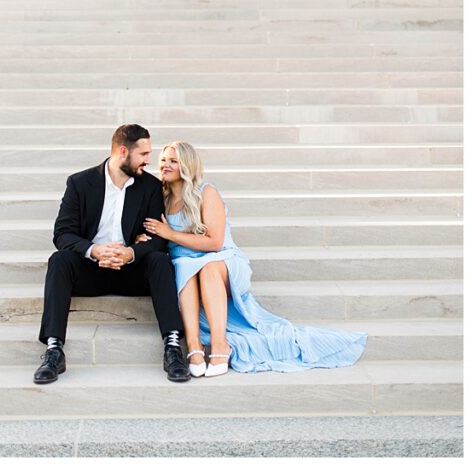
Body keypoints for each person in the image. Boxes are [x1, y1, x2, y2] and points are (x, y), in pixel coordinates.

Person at [140, 141, 367, 376]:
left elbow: (214, 243)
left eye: (173, 161)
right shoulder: (161, 197)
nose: (165, 165)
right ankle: (194, 347)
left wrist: (171, 234)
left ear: (187, 165)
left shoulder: (206, 192)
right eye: (163, 160)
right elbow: (152, 232)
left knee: (207, 267)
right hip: (187, 265)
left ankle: (220, 345)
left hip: (221, 261)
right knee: (184, 268)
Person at [34, 124, 190, 384]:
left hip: (131, 269)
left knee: (160, 260)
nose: (148, 161)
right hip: (91, 269)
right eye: (143, 154)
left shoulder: (150, 186)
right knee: (59, 260)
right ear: (122, 151)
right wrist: (94, 250)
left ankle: (173, 347)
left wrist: (131, 252)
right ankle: (53, 350)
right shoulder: (80, 183)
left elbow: (158, 239)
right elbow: (62, 234)